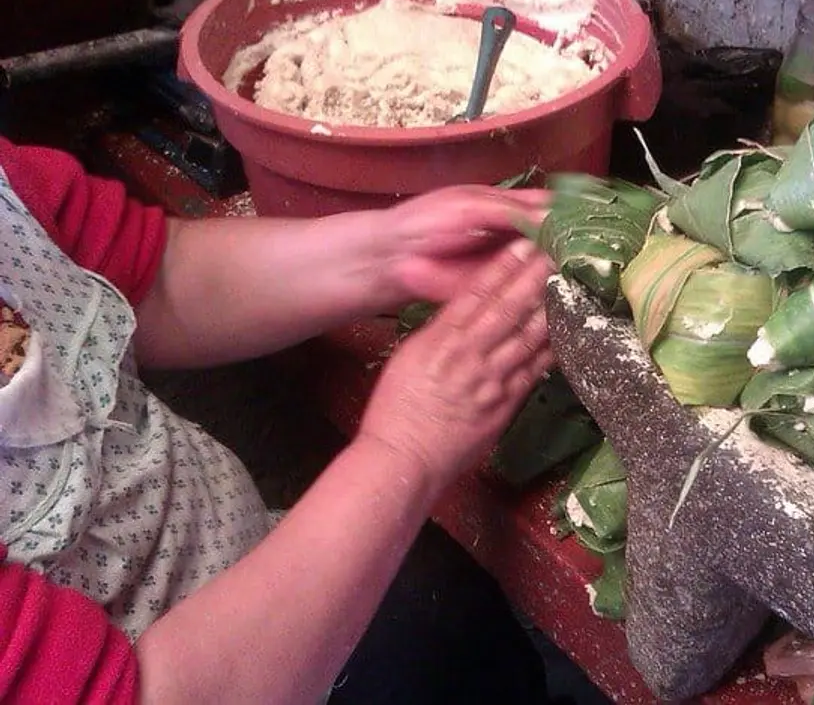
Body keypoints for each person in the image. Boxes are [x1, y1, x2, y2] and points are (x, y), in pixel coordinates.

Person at [0, 136, 559, 704]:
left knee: (453, 617)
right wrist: (404, 448)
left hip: (246, 556)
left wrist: (390, 255)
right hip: (217, 678)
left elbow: (149, 280)